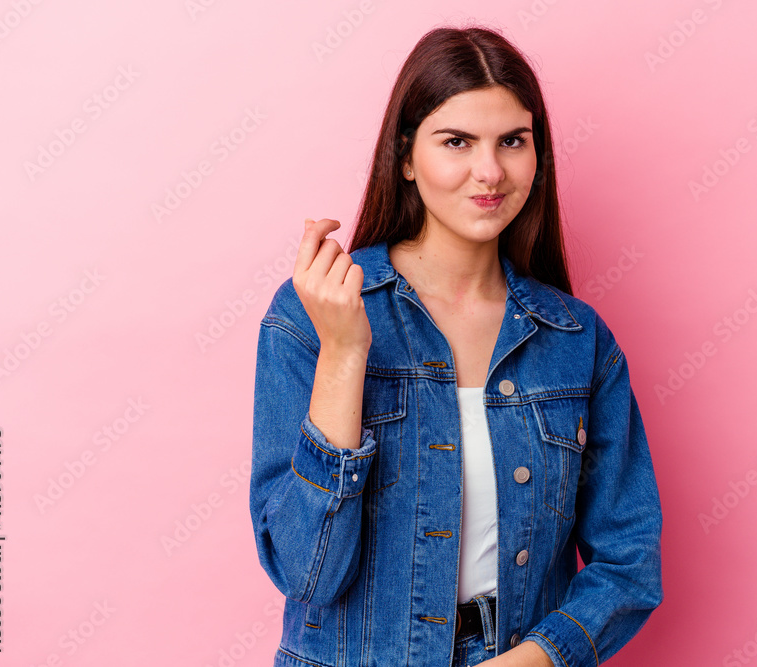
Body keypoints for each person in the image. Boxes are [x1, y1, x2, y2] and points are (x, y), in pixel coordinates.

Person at [250, 24, 662, 667]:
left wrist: (538, 658)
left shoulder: (576, 341)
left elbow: (630, 563)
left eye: (512, 142)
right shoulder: (313, 313)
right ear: (408, 157)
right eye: (457, 142)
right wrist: (343, 354)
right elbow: (307, 575)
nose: (489, 171)